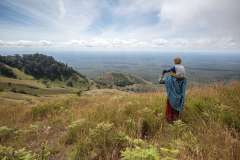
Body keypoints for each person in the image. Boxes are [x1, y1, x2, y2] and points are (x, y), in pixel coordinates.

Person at [159, 57, 187, 123]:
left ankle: (169, 120)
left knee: (170, 110)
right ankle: (176, 121)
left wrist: (162, 74)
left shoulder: (169, 79)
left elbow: (160, 81)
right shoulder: (184, 80)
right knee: (176, 111)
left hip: (171, 98)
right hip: (179, 98)